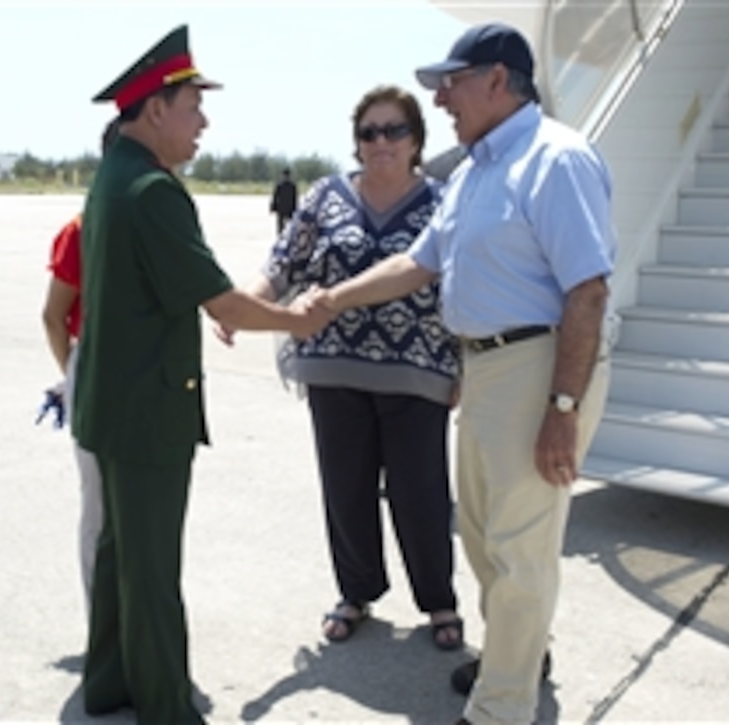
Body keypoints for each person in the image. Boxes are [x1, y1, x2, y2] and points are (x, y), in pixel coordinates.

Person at [309, 22, 615, 725]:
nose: (442, 99)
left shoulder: (555, 159)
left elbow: (588, 292)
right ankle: (520, 652)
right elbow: (418, 261)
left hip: (539, 366)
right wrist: (330, 300)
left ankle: (501, 705)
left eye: (452, 82)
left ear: (498, 80)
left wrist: (562, 405)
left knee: (518, 540)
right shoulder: (477, 169)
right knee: (481, 533)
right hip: (484, 369)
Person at [71, 25, 330, 724]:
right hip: (147, 410)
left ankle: (110, 684)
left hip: (111, 403)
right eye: (192, 104)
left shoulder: (114, 177)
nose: (203, 120)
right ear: (154, 109)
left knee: (121, 550)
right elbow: (221, 301)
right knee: (151, 566)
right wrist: (298, 318)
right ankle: (162, 705)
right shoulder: (153, 190)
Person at [218, 85, 464, 650]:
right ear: (356, 142)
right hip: (333, 369)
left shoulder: (444, 201)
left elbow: (460, 284)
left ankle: (439, 601)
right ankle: (356, 592)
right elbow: (283, 264)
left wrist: (464, 366)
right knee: (345, 489)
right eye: (369, 132)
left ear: (417, 140)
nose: (381, 142)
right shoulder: (326, 197)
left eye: (393, 130)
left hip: (418, 371)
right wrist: (245, 307)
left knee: (421, 493)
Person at [39, 118, 121, 626]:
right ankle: (102, 626)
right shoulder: (82, 228)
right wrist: (74, 375)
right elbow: (53, 314)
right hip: (94, 379)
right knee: (98, 511)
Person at [269, 167, 298, 234]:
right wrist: (273, 206)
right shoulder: (290, 186)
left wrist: (273, 207)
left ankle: (284, 236)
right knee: (282, 226)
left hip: (285, 208)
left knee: (286, 225)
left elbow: (295, 198)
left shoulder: (283, 185)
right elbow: (275, 197)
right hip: (286, 208)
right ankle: (282, 236)